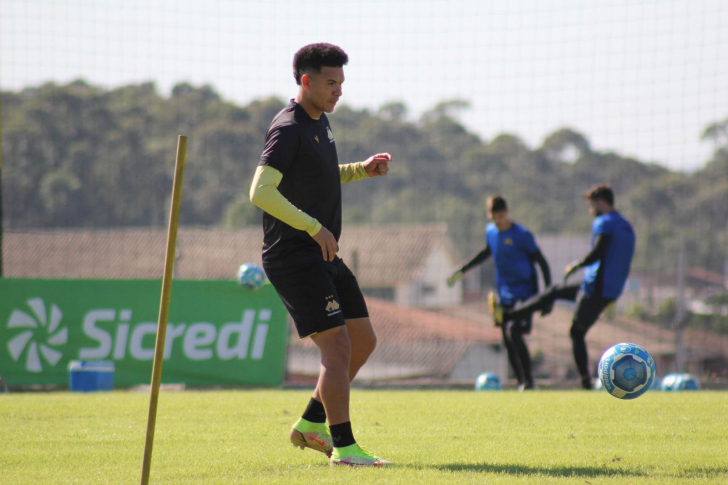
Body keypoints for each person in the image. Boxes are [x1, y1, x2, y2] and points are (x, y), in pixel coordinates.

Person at [249, 43, 392, 467]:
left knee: (363, 341)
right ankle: (344, 449)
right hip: (294, 256)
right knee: (338, 348)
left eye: (342, 83)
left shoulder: (320, 122)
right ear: (306, 81)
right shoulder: (288, 127)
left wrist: (360, 170)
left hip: (322, 252)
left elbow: (320, 176)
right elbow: (259, 192)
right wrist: (313, 226)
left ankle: (310, 425)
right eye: (331, 83)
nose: (339, 92)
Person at [488, 184, 635, 389]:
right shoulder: (626, 226)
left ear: (601, 202)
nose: (590, 209)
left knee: (576, 333)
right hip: (608, 290)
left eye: (591, 205)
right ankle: (510, 315)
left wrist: (578, 264)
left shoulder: (604, 222)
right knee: (553, 291)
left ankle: (586, 383)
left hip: (595, 290)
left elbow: (598, 251)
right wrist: (613, 296)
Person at [447, 195, 551, 391]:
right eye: (495, 217)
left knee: (515, 333)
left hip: (526, 293)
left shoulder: (522, 235)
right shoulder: (491, 232)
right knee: (506, 337)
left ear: (507, 212)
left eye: (501, 216)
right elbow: (487, 252)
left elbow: (541, 262)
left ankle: (529, 381)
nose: (499, 221)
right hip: (505, 293)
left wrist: (547, 295)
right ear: (490, 215)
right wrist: (463, 269)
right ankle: (522, 382)